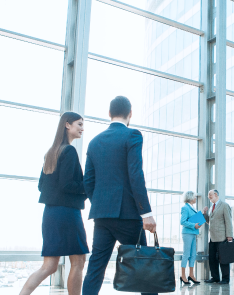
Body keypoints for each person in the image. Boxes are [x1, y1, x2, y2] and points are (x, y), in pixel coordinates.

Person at [81, 96, 157, 295]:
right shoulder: (132, 135)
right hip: (128, 215)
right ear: (130, 114)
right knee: (143, 266)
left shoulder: (94, 142)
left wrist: (100, 202)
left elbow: (88, 181)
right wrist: (146, 213)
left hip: (102, 216)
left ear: (109, 114)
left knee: (95, 267)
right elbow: (135, 175)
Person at [20, 112, 88, 295]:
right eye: (79, 124)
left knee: (49, 266)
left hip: (51, 213)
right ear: (67, 125)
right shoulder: (69, 151)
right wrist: (88, 185)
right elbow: (67, 185)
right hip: (67, 214)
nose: (82, 128)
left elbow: (42, 186)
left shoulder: (51, 153)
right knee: (79, 260)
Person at [201, 190, 233, 285]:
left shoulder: (224, 205)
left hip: (222, 237)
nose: (209, 197)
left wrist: (229, 235)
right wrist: (205, 213)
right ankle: (215, 277)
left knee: (223, 259)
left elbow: (228, 221)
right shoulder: (211, 208)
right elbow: (209, 222)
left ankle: (225, 279)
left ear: (216, 194)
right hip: (213, 238)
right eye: (208, 195)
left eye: (210, 194)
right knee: (212, 259)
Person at [179, 191, 202, 285]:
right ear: (190, 197)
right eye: (194, 197)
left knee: (193, 254)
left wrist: (197, 224)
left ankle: (191, 275)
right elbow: (182, 221)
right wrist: (194, 225)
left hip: (193, 233)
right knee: (186, 254)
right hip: (187, 233)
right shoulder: (185, 208)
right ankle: (183, 275)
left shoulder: (192, 207)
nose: (196, 198)